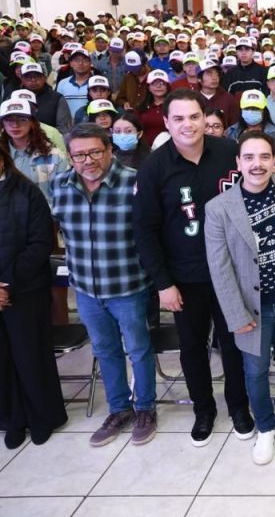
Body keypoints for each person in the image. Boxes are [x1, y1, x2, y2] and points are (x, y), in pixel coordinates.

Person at [133, 89, 255, 448]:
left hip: (231, 272)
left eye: (194, 116)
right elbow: (144, 230)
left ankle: (239, 406)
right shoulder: (154, 167)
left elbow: (259, 178)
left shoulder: (230, 152)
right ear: (166, 122)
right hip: (184, 277)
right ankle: (203, 409)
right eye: (179, 118)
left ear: (205, 118)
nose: (188, 124)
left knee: (234, 344)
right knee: (192, 347)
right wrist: (162, 283)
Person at [205, 132, 275, 464]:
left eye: (265, 157)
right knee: (256, 369)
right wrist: (236, 315)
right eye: (249, 157)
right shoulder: (219, 208)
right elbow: (219, 267)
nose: (257, 164)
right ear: (238, 162)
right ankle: (265, 426)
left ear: (274, 161)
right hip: (252, 307)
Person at [50, 123, 157, 447]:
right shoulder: (59, 185)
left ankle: (145, 409)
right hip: (86, 290)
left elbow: (151, 233)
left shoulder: (135, 183)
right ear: (70, 157)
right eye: (79, 155)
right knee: (105, 350)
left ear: (110, 150)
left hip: (128, 286)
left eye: (95, 152)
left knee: (138, 349)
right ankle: (119, 409)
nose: (88, 160)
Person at [0, 143, 65, 449]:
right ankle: (11, 420)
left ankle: (42, 418)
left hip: (26, 289)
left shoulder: (28, 193)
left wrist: (7, 284)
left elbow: (41, 243)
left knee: (31, 356)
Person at [0, 98, 69, 204]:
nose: (15, 125)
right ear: (2, 124)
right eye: (9, 120)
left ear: (32, 122)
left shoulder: (55, 156)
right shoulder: (2, 156)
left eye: (22, 119)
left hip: (45, 212)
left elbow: (64, 194)